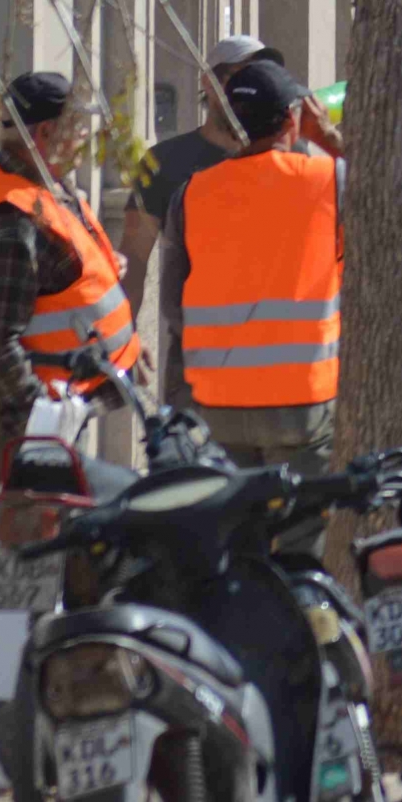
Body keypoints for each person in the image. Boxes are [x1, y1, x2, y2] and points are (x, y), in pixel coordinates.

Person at [161, 55, 344, 485]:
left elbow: (172, 306)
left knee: (237, 536)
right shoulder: (329, 180)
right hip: (302, 405)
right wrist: (330, 138)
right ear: (292, 122)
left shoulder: (191, 195)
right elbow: (392, 192)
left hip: (218, 407)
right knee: (297, 541)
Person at [0, 71, 144, 487]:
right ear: (45, 132)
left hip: (59, 407)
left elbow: (69, 278)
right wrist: (42, 414)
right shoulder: (10, 219)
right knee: (36, 540)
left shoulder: (46, 187)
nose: (83, 139)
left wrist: (125, 351)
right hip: (21, 422)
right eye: (77, 127)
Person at [122, 33, 339, 314]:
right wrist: (124, 340)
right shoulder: (164, 162)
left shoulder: (295, 154)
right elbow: (134, 259)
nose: (251, 87)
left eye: (262, 76)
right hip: (196, 348)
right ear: (208, 83)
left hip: (280, 340)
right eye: (241, 76)